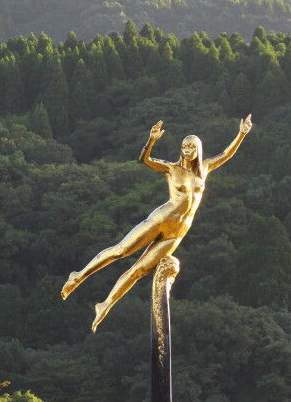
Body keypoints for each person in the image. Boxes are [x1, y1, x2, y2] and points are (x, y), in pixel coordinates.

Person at [61, 115, 253, 331]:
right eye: (184, 146)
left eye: (191, 146)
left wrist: (242, 133)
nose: (187, 150)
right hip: (161, 219)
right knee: (121, 250)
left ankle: (105, 305)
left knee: (139, 270)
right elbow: (146, 159)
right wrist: (151, 140)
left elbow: (226, 154)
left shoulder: (205, 169)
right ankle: (78, 276)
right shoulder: (172, 168)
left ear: (198, 149)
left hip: (178, 231)